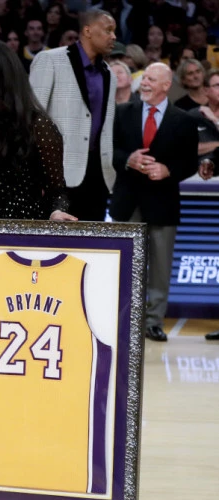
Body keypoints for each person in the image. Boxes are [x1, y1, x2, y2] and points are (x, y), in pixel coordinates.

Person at [110, 62, 198, 342]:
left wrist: (168, 170)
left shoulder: (183, 120)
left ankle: (153, 322)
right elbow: (108, 151)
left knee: (160, 268)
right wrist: (128, 159)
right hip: (127, 202)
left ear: (166, 86)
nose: (144, 83)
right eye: (144, 78)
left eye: (151, 79)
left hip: (163, 204)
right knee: (123, 264)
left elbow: (190, 162)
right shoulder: (121, 113)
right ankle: (121, 320)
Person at [0, 39, 76, 221]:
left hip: (24, 230)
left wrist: (56, 212)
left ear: (4, 76)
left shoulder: (38, 125)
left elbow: (56, 192)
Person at [30, 9, 117, 221]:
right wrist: (35, 175)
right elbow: (31, 119)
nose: (113, 36)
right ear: (87, 31)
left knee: (92, 241)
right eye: (108, 30)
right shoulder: (50, 60)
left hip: (97, 176)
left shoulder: (109, 73)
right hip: (57, 174)